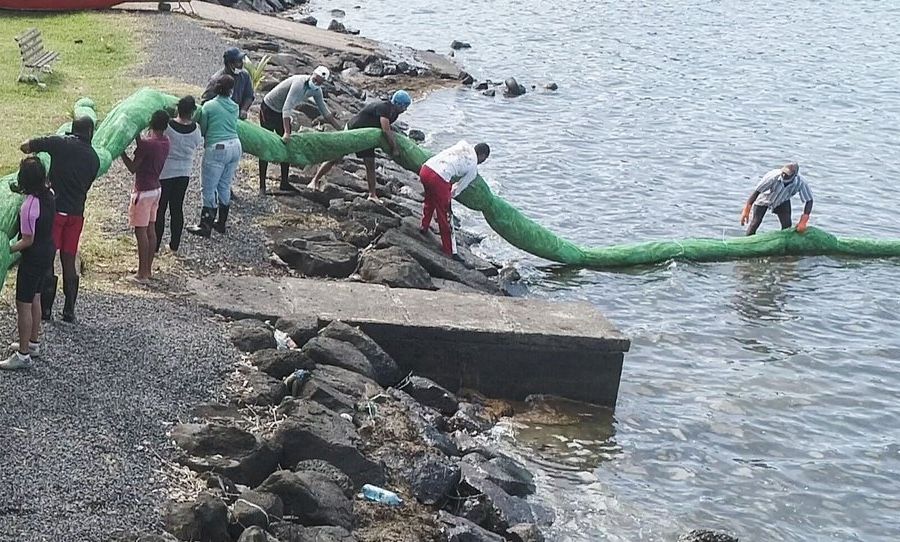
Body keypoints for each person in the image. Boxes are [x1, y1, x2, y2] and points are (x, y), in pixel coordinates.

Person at [20, 116, 100, 323]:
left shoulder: (60, 143)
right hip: (76, 214)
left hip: (55, 211)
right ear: (90, 132)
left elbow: (27, 146)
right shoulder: (94, 158)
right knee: (68, 259)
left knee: (48, 259)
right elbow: (88, 184)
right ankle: (69, 310)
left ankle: (46, 309)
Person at [307, 90, 412, 201]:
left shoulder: (394, 114)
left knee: (370, 164)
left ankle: (372, 195)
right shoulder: (384, 107)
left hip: (367, 137)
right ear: (399, 104)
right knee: (336, 157)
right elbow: (385, 129)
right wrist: (394, 147)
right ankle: (314, 180)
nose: (405, 110)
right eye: (405, 106)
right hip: (354, 130)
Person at [1, 157, 56, 370]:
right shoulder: (49, 194)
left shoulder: (28, 206)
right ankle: (33, 343)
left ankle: (22, 355)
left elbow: (27, 240)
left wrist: (7, 250)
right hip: (48, 251)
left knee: (23, 304)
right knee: (36, 297)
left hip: (33, 257)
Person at [258, 66, 342, 195]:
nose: (316, 83)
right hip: (269, 108)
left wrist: (340, 129)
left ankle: (284, 182)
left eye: (320, 82)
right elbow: (287, 107)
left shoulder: (316, 91)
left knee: (287, 147)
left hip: (282, 113)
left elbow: (325, 112)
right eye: (315, 79)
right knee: (266, 145)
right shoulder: (299, 83)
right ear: (312, 75)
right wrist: (287, 132)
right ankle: (262, 186)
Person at [189, 74, 242, 238]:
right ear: (231, 90)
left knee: (209, 188)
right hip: (236, 146)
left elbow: (204, 129)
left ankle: (205, 225)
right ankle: (221, 223)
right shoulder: (235, 106)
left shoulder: (209, 107)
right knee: (225, 185)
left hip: (218, 148)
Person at [121, 110, 171, 282]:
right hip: (156, 189)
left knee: (140, 232)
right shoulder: (165, 141)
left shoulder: (147, 145)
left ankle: (141, 274)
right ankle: (147, 270)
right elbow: (146, 145)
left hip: (143, 191)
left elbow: (133, 168)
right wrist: (138, 139)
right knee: (151, 230)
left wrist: (122, 153)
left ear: (151, 123)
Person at [418, 141, 491, 257]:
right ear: (482, 156)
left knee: (430, 199)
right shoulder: (473, 168)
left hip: (426, 169)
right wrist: (447, 197)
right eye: (484, 159)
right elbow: (458, 188)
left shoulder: (463, 144)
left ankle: (424, 226)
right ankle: (450, 251)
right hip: (438, 178)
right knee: (445, 216)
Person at [156, 96, 203, 252]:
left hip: (166, 171)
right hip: (184, 172)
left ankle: (155, 245)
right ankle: (174, 244)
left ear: (178, 109)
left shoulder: (168, 126)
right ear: (192, 112)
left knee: (160, 209)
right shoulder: (196, 129)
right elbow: (196, 145)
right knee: (177, 208)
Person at [740, 162, 814, 236]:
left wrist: (803, 220)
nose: (784, 175)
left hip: (782, 200)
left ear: (794, 175)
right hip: (765, 198)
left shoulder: (801, 182)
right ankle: (748, 239)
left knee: (787, 226)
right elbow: (756, 192)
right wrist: (747, 209)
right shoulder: (772, 177)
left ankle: (784, 243)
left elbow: (809, 200)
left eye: (787, 174)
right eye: (783, 172)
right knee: (756, 222)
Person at [202, 47, 254, 120]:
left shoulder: (244, 76)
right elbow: (205, 102)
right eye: (238, 61)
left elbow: (249, 96)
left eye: (241, 60)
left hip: (236, 115)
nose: (242, 63)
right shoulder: (216, 80)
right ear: (230, 64)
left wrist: (244, 110)